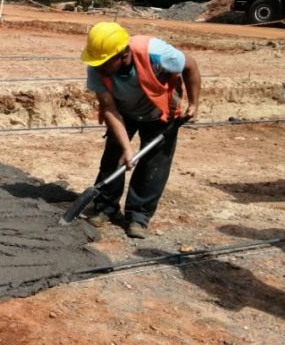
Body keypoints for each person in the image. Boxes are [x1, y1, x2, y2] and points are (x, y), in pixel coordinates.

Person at [80, 22, 201, 238]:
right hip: (123, 111)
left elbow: (190, 66)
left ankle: (139, 216)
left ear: (124, 54)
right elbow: (109, 108)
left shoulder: (157, 53)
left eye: (106, 63)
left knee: (154, 163)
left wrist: (194, 103)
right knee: (113, 156)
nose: (100, 68)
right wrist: (127, 149)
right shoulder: (97, 67)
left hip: (160, 109)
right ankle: (105, 207)